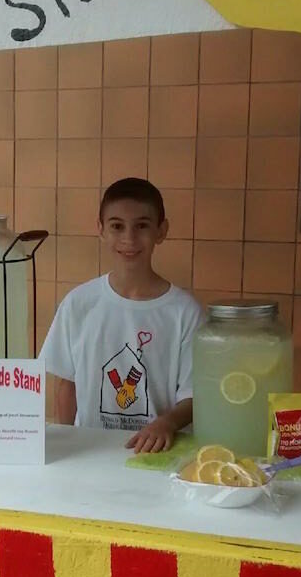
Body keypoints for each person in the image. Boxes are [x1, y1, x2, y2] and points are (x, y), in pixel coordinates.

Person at [40, 177, 204, 454]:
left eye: (142, 226)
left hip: (157, 454)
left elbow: (194, 397)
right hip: (90, 452)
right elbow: (66, 385)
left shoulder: (184, 312)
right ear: (101, 229)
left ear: (161, 231)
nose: (129, 239)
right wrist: (66, 444)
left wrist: (166, 423)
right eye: (117, 226)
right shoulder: (79, 304)